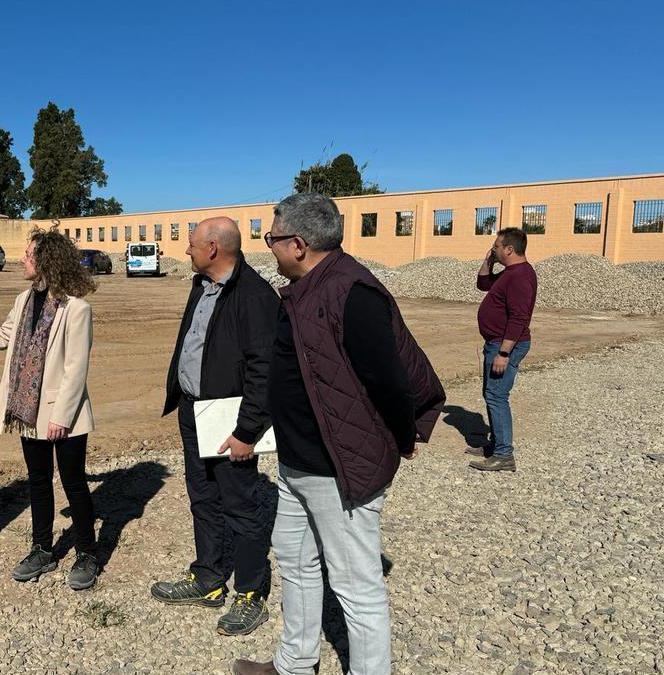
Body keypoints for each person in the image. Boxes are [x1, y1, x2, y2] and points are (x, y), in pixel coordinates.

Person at [232, 193, 445, 675]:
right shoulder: (305, 288)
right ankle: (295, 662)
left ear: (300, 245)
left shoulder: (353, 292)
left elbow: (390, 381)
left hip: (338, 469)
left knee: (356, 587)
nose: (270, 248)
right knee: (296, 561)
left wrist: (400, 437)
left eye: (273, 238)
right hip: (296, 464)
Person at [0, 228, 100, 590]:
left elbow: (76, 367)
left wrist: (62, 415)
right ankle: (42, 549)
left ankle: (88, 554)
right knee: (39, 482)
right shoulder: (23, 301)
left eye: (28, 254)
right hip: (28, 409)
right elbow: (2, 338)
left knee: (74, 483)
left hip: (66, 415)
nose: (21, 259)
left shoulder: (76, 308)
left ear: (46, 260)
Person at [150, 216, 278, 637]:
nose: (184, 251)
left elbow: (264, 369)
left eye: (190, 245)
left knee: (240, 504)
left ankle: (250, 591)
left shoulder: (255, 296)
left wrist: (246, 431)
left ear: (212, 249)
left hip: (230, 420)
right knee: (202, 497)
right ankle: (207, 578)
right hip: (195, 411)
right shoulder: (200, 284)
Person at [468, 227, 537, 472]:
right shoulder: (510, 272)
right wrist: (489, 259)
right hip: (496, 343)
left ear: (509, 249)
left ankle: (504, 454)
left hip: (505, 345)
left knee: (497, 396)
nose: (494, 249)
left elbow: (519, 318)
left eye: (497, 246)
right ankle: (496, 445)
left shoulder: (520, 276)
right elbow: (483, 283)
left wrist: (504, 353)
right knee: (491, 393)